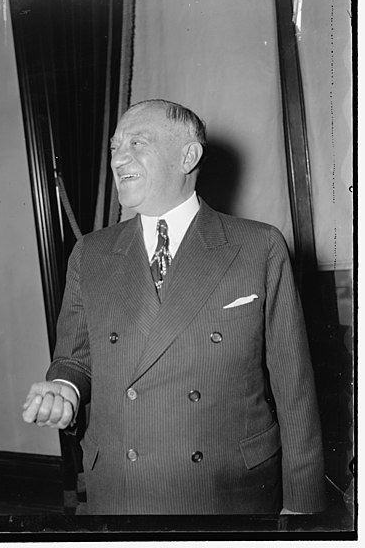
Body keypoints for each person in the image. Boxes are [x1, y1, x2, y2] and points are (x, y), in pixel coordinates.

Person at [22, 99, 326, 515]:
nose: (118, 159)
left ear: (188, 155)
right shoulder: (89, 254)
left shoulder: (259, 246)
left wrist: (303, 506)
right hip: (119, 490)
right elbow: (75, 358)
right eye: (114, 147)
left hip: (226, 493)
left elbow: (295, 389)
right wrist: (65, 387)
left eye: (136, 143)